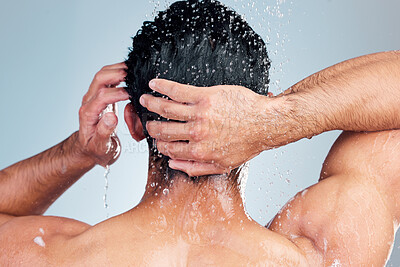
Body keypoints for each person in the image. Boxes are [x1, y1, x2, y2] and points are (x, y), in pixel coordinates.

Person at [0, 1, 398, 267]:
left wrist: (77, 151)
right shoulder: (314, 256)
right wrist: (276, 119)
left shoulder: (56, 257)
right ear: (250, 129)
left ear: (135, 124)